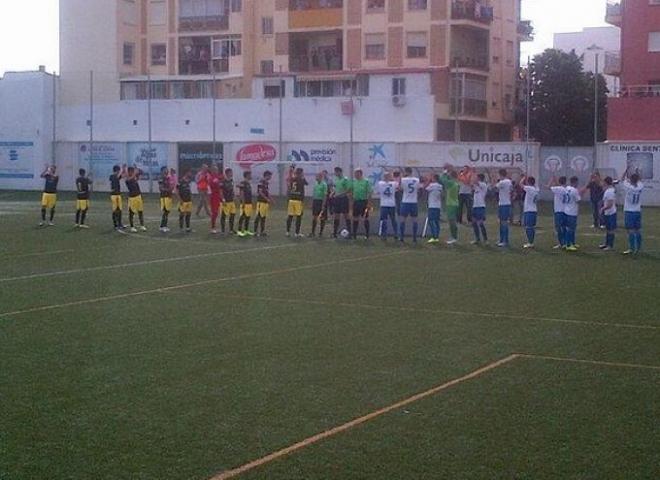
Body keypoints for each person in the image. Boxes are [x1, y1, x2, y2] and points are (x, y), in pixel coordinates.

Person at [621, 171, 644, 255]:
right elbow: (640, 180)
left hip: (629, 211)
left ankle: (631, 248)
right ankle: (638, 248)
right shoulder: (640, 187)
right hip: (637, 211)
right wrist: (638, 172)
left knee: (630, 231)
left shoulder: (628, 187)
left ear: (630, 179)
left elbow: (622, 179)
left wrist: (625, 171)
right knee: (637, 230)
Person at [398, 167, 422, 243]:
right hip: (414, 202)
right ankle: (414, 238)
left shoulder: (403, 179)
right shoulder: (417, 180)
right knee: (414, 220)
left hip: (405, 201)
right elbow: (419, 189)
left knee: (402, 220)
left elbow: (400, 188)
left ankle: (401, 237)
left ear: (406, 172)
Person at [564, 176, 586, 252]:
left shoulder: (567, 188)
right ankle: (568, 245)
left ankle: (572, 242)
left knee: (571, 228)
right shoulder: (574, 190)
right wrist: (582, 194)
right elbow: (578, 200)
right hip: (572, 211)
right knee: (570, 229)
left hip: (567, 210)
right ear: (575, 182)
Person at [440, 167, 460, 245]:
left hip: (451, 204)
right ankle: (454, 236)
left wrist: (444, 172)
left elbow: (442, 179)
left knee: (452, 221)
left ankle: (454, 237)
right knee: (452, 221)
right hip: (453, 203)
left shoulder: (451, 183)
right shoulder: (454, 183)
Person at [331, 167, 352, 238]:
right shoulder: (336, 180)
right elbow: (335, 188)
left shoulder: (345, 179)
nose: (335, 173)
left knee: (346, 215)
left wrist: (341, 194)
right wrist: (333, 193)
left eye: (336, 172)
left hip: (343, 199)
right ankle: (334, 233)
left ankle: (350, 232)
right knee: (336, 215)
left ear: (339, 172)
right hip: (337, 199)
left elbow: (348, 189)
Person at [376, 172, 398, 239]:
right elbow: (398, 186)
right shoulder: (394, 183)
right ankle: (395, 233)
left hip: (384, 204)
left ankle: (384, 234)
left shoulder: (380, 183)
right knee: (392, 220)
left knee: (384, 220)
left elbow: (378, 191)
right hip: (391, 204)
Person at [351, 169, 372, 239]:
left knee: (365, 218)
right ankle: (354, 234)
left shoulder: (366, 181)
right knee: (355, 218)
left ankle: (367, 234)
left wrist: (369, 203)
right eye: (355, 173)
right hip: (356, 201)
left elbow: (369, 192)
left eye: (356, 173)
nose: (355, 175)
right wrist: (352, 201)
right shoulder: (354, 182)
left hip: (363, 201)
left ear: (360, 173)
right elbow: (352, 191)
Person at [494, 168, 513, 247]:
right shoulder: (509, 181)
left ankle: (505, 241)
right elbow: (511, 189)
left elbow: (494, 187)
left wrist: (494, 179)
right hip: (506, 203)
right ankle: (502, 240)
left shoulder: (502, 182)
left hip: (503, 204)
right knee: (502, 222)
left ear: (500, 174)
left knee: (503, 223)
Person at [286, 167, 308, 237]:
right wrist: (302, 176)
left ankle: (287, 231)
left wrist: (291, 171)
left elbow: (289, 180)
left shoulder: (292, 179)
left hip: (291, 199)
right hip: (298, 200)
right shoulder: (301, 179)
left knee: (290, 216)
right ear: (301, 173)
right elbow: (306, 183)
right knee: (299, 216)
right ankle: (297, 233)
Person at [548, 175, 568, 249]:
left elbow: (548, 187)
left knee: (558, 228)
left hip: (558, 210)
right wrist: (555, 180)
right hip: (565, 210)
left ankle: (561, 243)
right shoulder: (566, 189)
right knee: (564, 227)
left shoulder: (557, 188)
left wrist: (552, 180)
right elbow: (558, 187)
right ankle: (565, 242)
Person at [125, 167, 147, 232]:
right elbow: (130, 178)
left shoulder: (134, 178)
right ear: (129, 172)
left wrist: (137, 169)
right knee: (131, 212)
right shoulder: (127, 179)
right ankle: (132, 227)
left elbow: (141, 172)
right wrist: (135, 173)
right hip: (132, 198)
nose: (132, 172)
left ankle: (142, 225)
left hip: (138, 196)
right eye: (131, 171)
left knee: (140, 211)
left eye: (132, 171)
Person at [521, 176, 540, 249]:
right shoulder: (536, 189)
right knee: (530, 227)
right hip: (533, 210)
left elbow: (520, 184)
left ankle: (530, 242)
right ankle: (531, 241)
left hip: (529, 210)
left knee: (528, 227)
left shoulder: (529, 188)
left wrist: (523, 178)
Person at [424, 174, 443, 244]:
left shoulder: (431, 185)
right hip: (438, 205)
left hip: (432, 205)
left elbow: (425, 188)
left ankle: (434, 236)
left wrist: (428, 181)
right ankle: (437, 236)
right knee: (437, 221)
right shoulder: (440, 186)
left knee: (431, 221)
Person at [599, 176, 617, 251]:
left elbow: (610, 204)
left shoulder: (609, 191)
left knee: (610, 230)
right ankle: (606, 243)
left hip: (611, 213)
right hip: (608, 213)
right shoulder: (609, 190)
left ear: (606, 182)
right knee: (608, 229)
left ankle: (610, 245)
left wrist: (602, 209)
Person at [471, 173, 489, 245]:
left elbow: (475, 182)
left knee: (480, 223)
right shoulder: (476, 186)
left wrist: (472, 173)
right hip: (475, 206)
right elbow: (471, 184)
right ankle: (477, 239)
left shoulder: (483, 185)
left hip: (481, 206)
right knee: (474, 223)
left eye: (477, 177)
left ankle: (485, 239)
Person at [254, 170, 273, 237]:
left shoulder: (266, 182)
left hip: (265, 202)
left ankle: (262, 231)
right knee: (259, 216)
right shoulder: (261, 182)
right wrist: (267, 198)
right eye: (270, 175)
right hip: (261, 202)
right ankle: (255, 231)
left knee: (263, 216)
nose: (271, 177)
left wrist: (270, 198)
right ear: (267, 175)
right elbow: (260, 192)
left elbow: (267, 191)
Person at [310, 172, 328, 237]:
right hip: (316, 201)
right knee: (314, 216)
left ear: (320, 177)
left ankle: (321, 232)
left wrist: (323, 205)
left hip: (321, 201)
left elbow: (325, 195)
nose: (316, 178)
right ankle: (312, 232)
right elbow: (314, 194)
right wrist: (312, 203)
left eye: (317, 176)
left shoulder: (324, 184)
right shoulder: (315, 184)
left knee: (322, 217)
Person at [237, 170, 255, 237]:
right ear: (247, 175)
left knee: (248, 216)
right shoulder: (243, 183)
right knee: (243, 216)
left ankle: (246, 230)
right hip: (245, 203)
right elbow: (241, 193)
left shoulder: (248, 183)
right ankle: (239, 231)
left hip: (249, 202)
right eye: (250, 175)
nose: (251, 176)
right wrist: (243, 202)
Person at [110, 165, 125, 231]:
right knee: (115, 210)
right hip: (114, 195)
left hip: (118, 194)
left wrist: (123, 169)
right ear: (117, 170)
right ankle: (115, 224)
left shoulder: (116, 176)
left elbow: (122, 175)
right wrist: (122, 169)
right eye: (118, 170)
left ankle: (120, 223)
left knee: (119, 210)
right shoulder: (112, 176)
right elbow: (118, 176)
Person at [221, 168, 236, 234]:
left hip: (231, 201)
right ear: (227, 173)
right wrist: (223, 199)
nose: (232, 173)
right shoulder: (223, 181)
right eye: (231, 172)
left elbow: (232, 189)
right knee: (224, 215)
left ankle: (231, 229)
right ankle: (223, 230)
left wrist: (234, 195)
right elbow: (220, 191)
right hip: (226, 201)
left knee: (232, 214)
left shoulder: (232, 180)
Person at [209, 165, 223, 234]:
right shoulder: (211, 178)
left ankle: (215, 227)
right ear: (212, 171)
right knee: (214, 212)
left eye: (217, 170)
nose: (216, 171)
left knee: (217, 212)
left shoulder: (218, 177)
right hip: (214, 196)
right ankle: (212, 227)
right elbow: (213, 184)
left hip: (218, 196)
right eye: (215, 170)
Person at [158, 166, 173, 233]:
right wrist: (168, 190)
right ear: (162, 171)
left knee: (167, 212)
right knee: (165, 211)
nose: (167, 171)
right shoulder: (161, 178)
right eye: (166, 170)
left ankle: (164, 226)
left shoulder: (168, 178)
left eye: (167, 170)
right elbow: (161, 188)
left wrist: (171, 188)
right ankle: (162, 226)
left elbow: (170, 186)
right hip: (164, 197)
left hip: (168, 196)